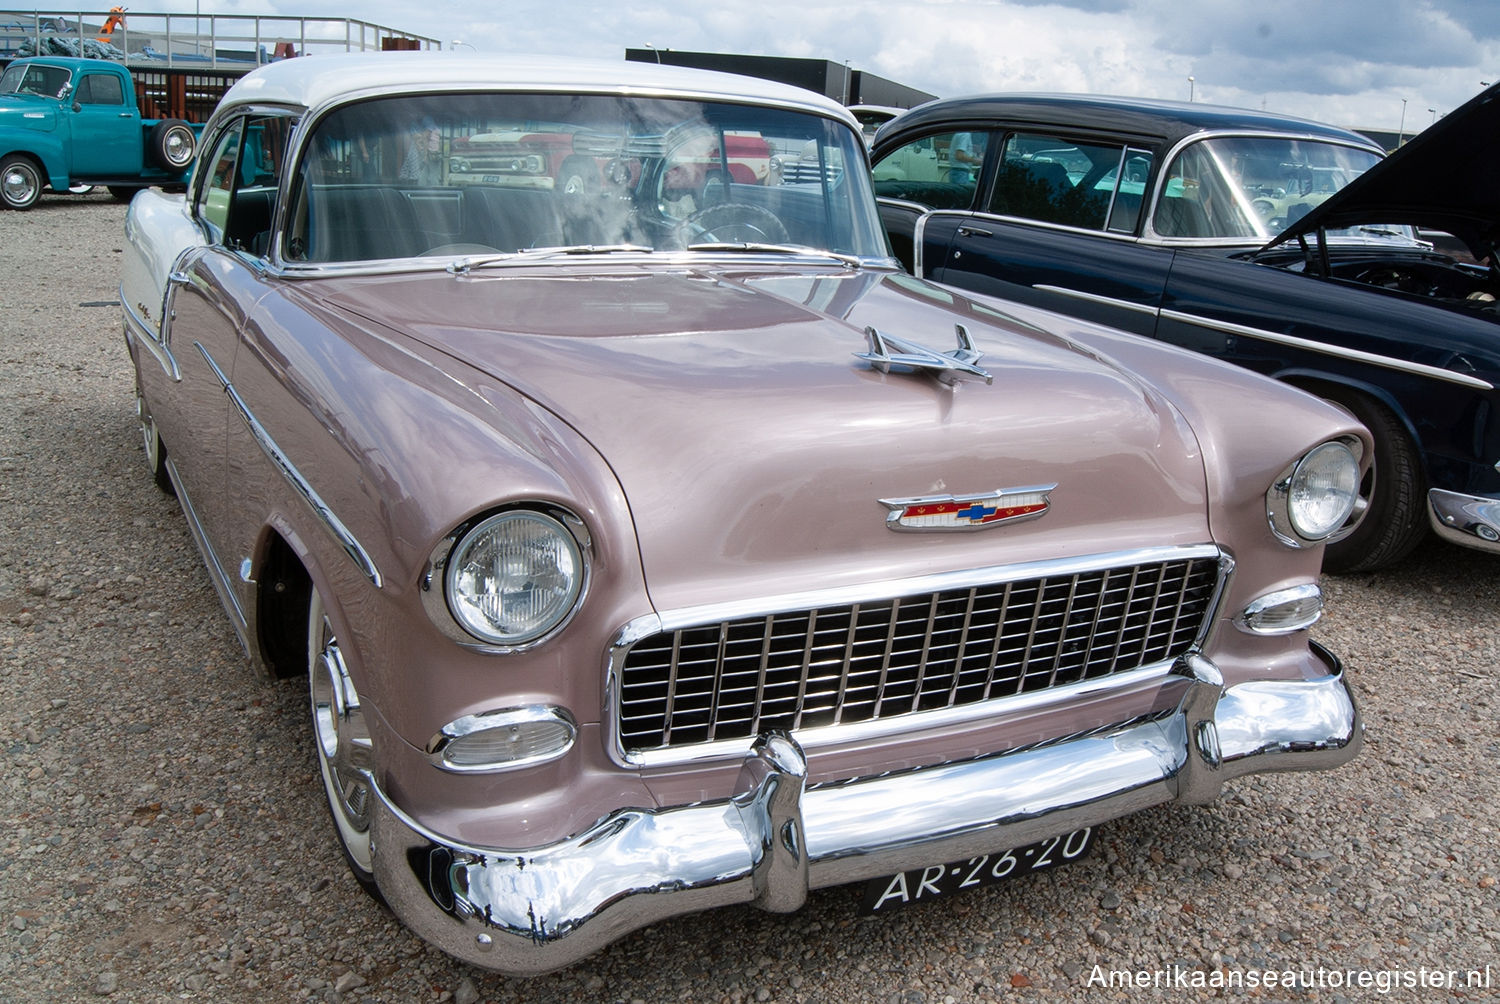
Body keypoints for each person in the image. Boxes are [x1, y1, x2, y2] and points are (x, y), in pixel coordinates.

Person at [399, 119, 443, 186]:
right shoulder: (429, 122)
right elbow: (425, 138)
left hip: (430, 153)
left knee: (424, 175)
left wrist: (424, 154)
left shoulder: (425, 122)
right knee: (432, 176)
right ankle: (433, 192)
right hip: (432, 153)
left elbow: (424, 138)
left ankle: (421, 189)